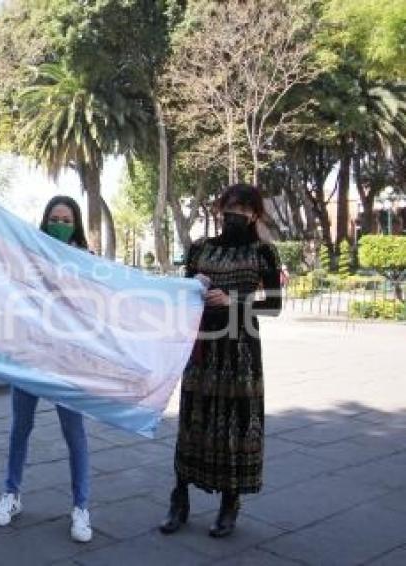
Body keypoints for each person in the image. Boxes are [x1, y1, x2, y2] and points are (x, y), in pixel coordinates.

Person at [159, 183, 282, 538]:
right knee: (194, 420)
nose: (235, 214)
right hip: (202, 346)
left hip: (241, 349)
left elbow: (272, 305)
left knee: (236, 424)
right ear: (219, 210)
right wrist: (193, 283)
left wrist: (233, 301)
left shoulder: (264, 252)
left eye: (244, 208)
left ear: (255, 214)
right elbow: (183, 298)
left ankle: (230, 504)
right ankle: (179, 498)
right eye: (230, 207)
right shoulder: (199, 249)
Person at [0, 195, 94, 543]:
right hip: (31, 357)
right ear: (45, 220)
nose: (60, 224)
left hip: (67, 362)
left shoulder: (87, 261)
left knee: (74, 435)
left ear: (75, 223)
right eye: (54, 218)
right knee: (20, 428)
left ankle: (81, 507)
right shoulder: (29, 257)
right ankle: (11, 494)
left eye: (66, 219)